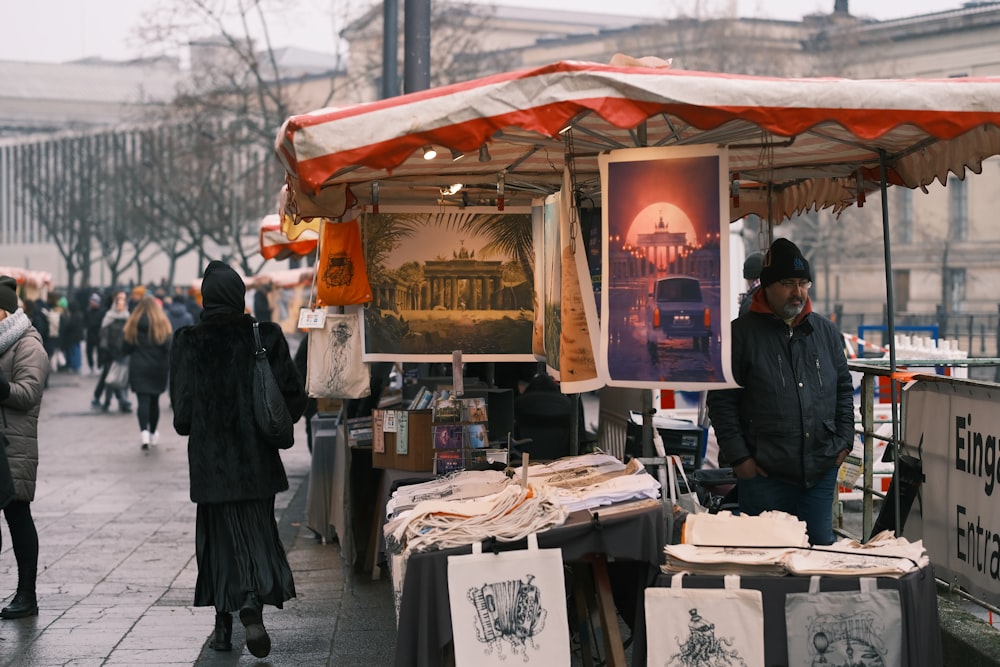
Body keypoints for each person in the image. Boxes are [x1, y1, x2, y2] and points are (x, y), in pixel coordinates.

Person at [169, 260, 306, 658]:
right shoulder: (266, 337)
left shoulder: (188, 341)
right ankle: (252, 602)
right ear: (240, 295)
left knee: (216, 544)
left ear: (205, 299)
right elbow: (293, 400)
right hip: (256, 465)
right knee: (257, 535)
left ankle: (222, 628)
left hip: (212, 469)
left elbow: (181, 418)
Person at [706, 238, 854, 546]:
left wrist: (844, 441)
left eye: (803, 283)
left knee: (818, 554)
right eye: (788, 283)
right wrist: (741, 459)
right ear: (767, 286)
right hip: (764, 475)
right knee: (766, 559)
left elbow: (842, 388)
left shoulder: (825, 333)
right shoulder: (740, 335)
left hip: (820, 470)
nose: (797, 292)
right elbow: (722, 402)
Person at [0, 275, 48, 619]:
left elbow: (28, 394)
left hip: (13, 445)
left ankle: (26, 595)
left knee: (18, 517)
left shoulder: (28, 344)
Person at [123, 296, 172, 450]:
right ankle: (152, 433)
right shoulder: (162, 323)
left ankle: (143, 432)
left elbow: (126, 348)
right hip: (157, 367)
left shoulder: (133, 324)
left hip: (139, 366)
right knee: (154, 402)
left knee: (142, 401)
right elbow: (168, 347)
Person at [93, 292, 132, 413]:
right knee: (110, 379)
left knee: (123, 379)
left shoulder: (128, 318)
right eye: (118, 304)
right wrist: (105, 352)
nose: (120, 306)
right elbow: (103, 336)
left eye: (122, 304)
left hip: (124, 354)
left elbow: (131, 337)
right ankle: (108, 401)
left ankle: (123, 401)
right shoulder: (108, 317)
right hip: (110, 354)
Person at [83, 293, 105, 375]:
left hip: (98, 334)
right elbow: (86, 321)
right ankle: (91, 366)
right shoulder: (88, 310)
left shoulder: (101, 312)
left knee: (99, 351)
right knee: (89, 351)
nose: (91, 303)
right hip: (90, 334)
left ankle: (99, 366)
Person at [738, 252, 763, 316]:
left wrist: (744, 303)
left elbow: (742, 324)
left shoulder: (749, 303)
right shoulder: (775, 296)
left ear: (749, 279)